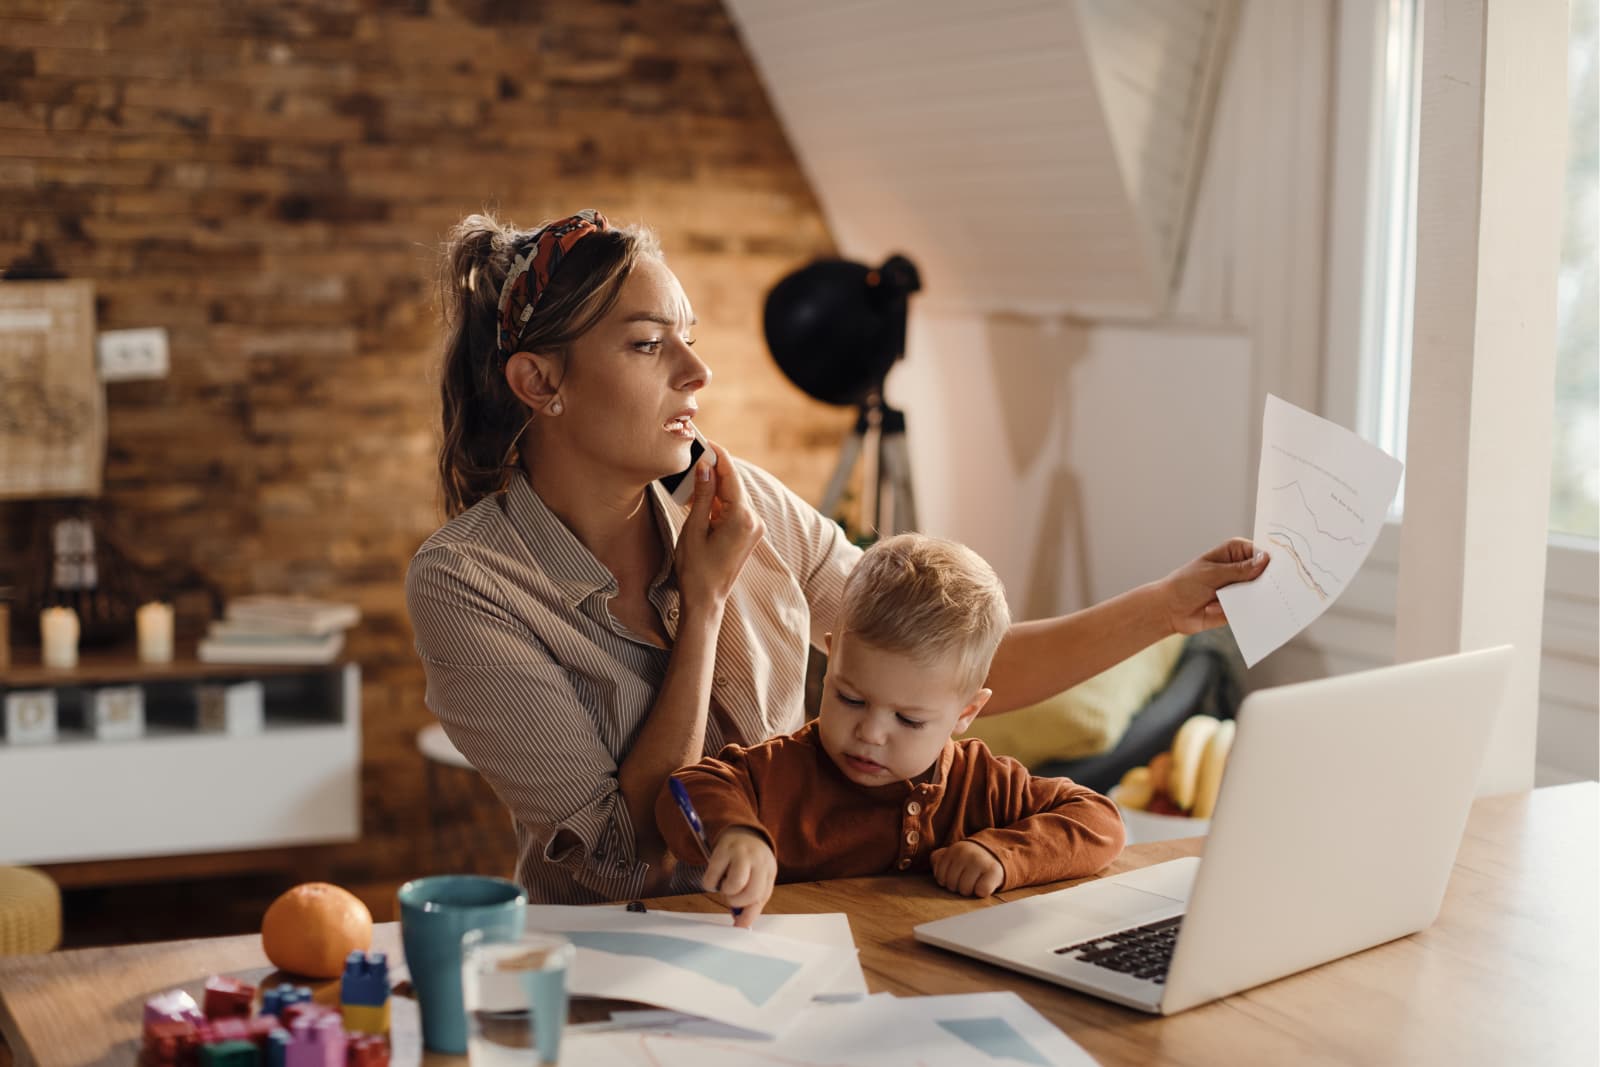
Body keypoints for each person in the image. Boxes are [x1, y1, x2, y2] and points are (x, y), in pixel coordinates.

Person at [405, 208, 1267, 906]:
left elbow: (937, 662)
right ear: (539, 383)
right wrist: (703, 607)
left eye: (689, 335)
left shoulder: (750, 504)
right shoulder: (469, 584)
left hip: (797, 931)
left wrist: (1166, 607)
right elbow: (628, 853)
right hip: (610, 958)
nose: (697, 370)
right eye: (646, 343)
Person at [655, 533, 1125, 927]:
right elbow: (689, 786)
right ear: (832, 656)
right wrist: (738, 835)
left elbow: (1100, 821)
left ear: (966, 713)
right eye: (850, 698)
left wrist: (1004, 856)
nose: (871, 733)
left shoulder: (981, 783)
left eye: (909, 719)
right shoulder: (783, 770)